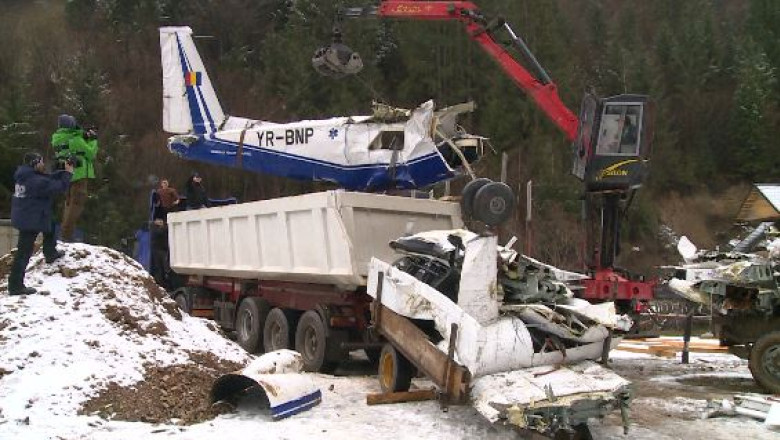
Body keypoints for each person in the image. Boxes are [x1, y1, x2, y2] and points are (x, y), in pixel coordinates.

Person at [8, 152, 73, 295]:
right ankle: (15, 286)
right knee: (23, 253)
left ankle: (50, 252)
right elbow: (58, 187)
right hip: (31, 219)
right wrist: (68, 173)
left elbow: (47, 179)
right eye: (41, 162)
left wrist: (61, 171)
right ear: (34, 163)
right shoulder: (35, 181)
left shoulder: (25, 176)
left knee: (51, 225)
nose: (43, 164)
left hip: (28, 215)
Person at [51, 114, 98, 241]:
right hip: (79, 175)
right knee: (76, 204)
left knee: (69, 204)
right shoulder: (75, 139)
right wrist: (93, 139)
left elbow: (75, 146)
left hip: (66, 175)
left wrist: (84, 135)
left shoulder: (57, 138)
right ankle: (66, 235)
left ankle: (65, 233)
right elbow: (91, 153)